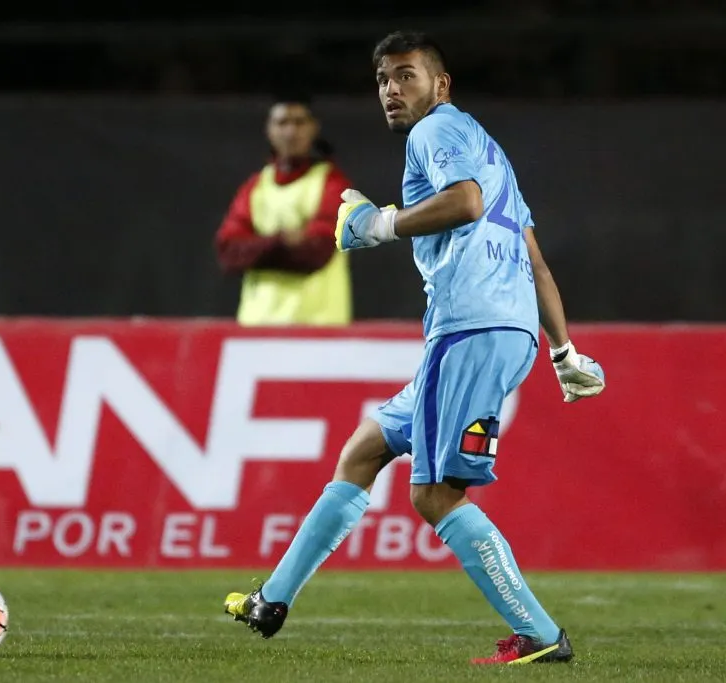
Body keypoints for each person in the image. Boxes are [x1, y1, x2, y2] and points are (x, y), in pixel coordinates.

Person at [223, 30, 605, 665]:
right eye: (382, 81)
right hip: (499, 333)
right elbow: (534, 259)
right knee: (364, 449)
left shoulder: (437, 133)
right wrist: (564, 350)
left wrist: (378, 223)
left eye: (406, 76)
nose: (391, 91)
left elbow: (466, 203)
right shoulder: (489, 151)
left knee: (434, 495)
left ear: (441, 85)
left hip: (472, 332)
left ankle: (540, 636)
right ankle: (273, 600)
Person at [215, 94, 353, 326]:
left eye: (299, 122)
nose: (290, 132)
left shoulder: (332, 184)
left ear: (313, 128)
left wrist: (256, 248)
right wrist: (282, 241)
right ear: (269, 129)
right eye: (282, 123)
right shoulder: (256, 186)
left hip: (318, 328)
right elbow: (228, 251)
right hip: (257, 327)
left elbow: (316, 251)